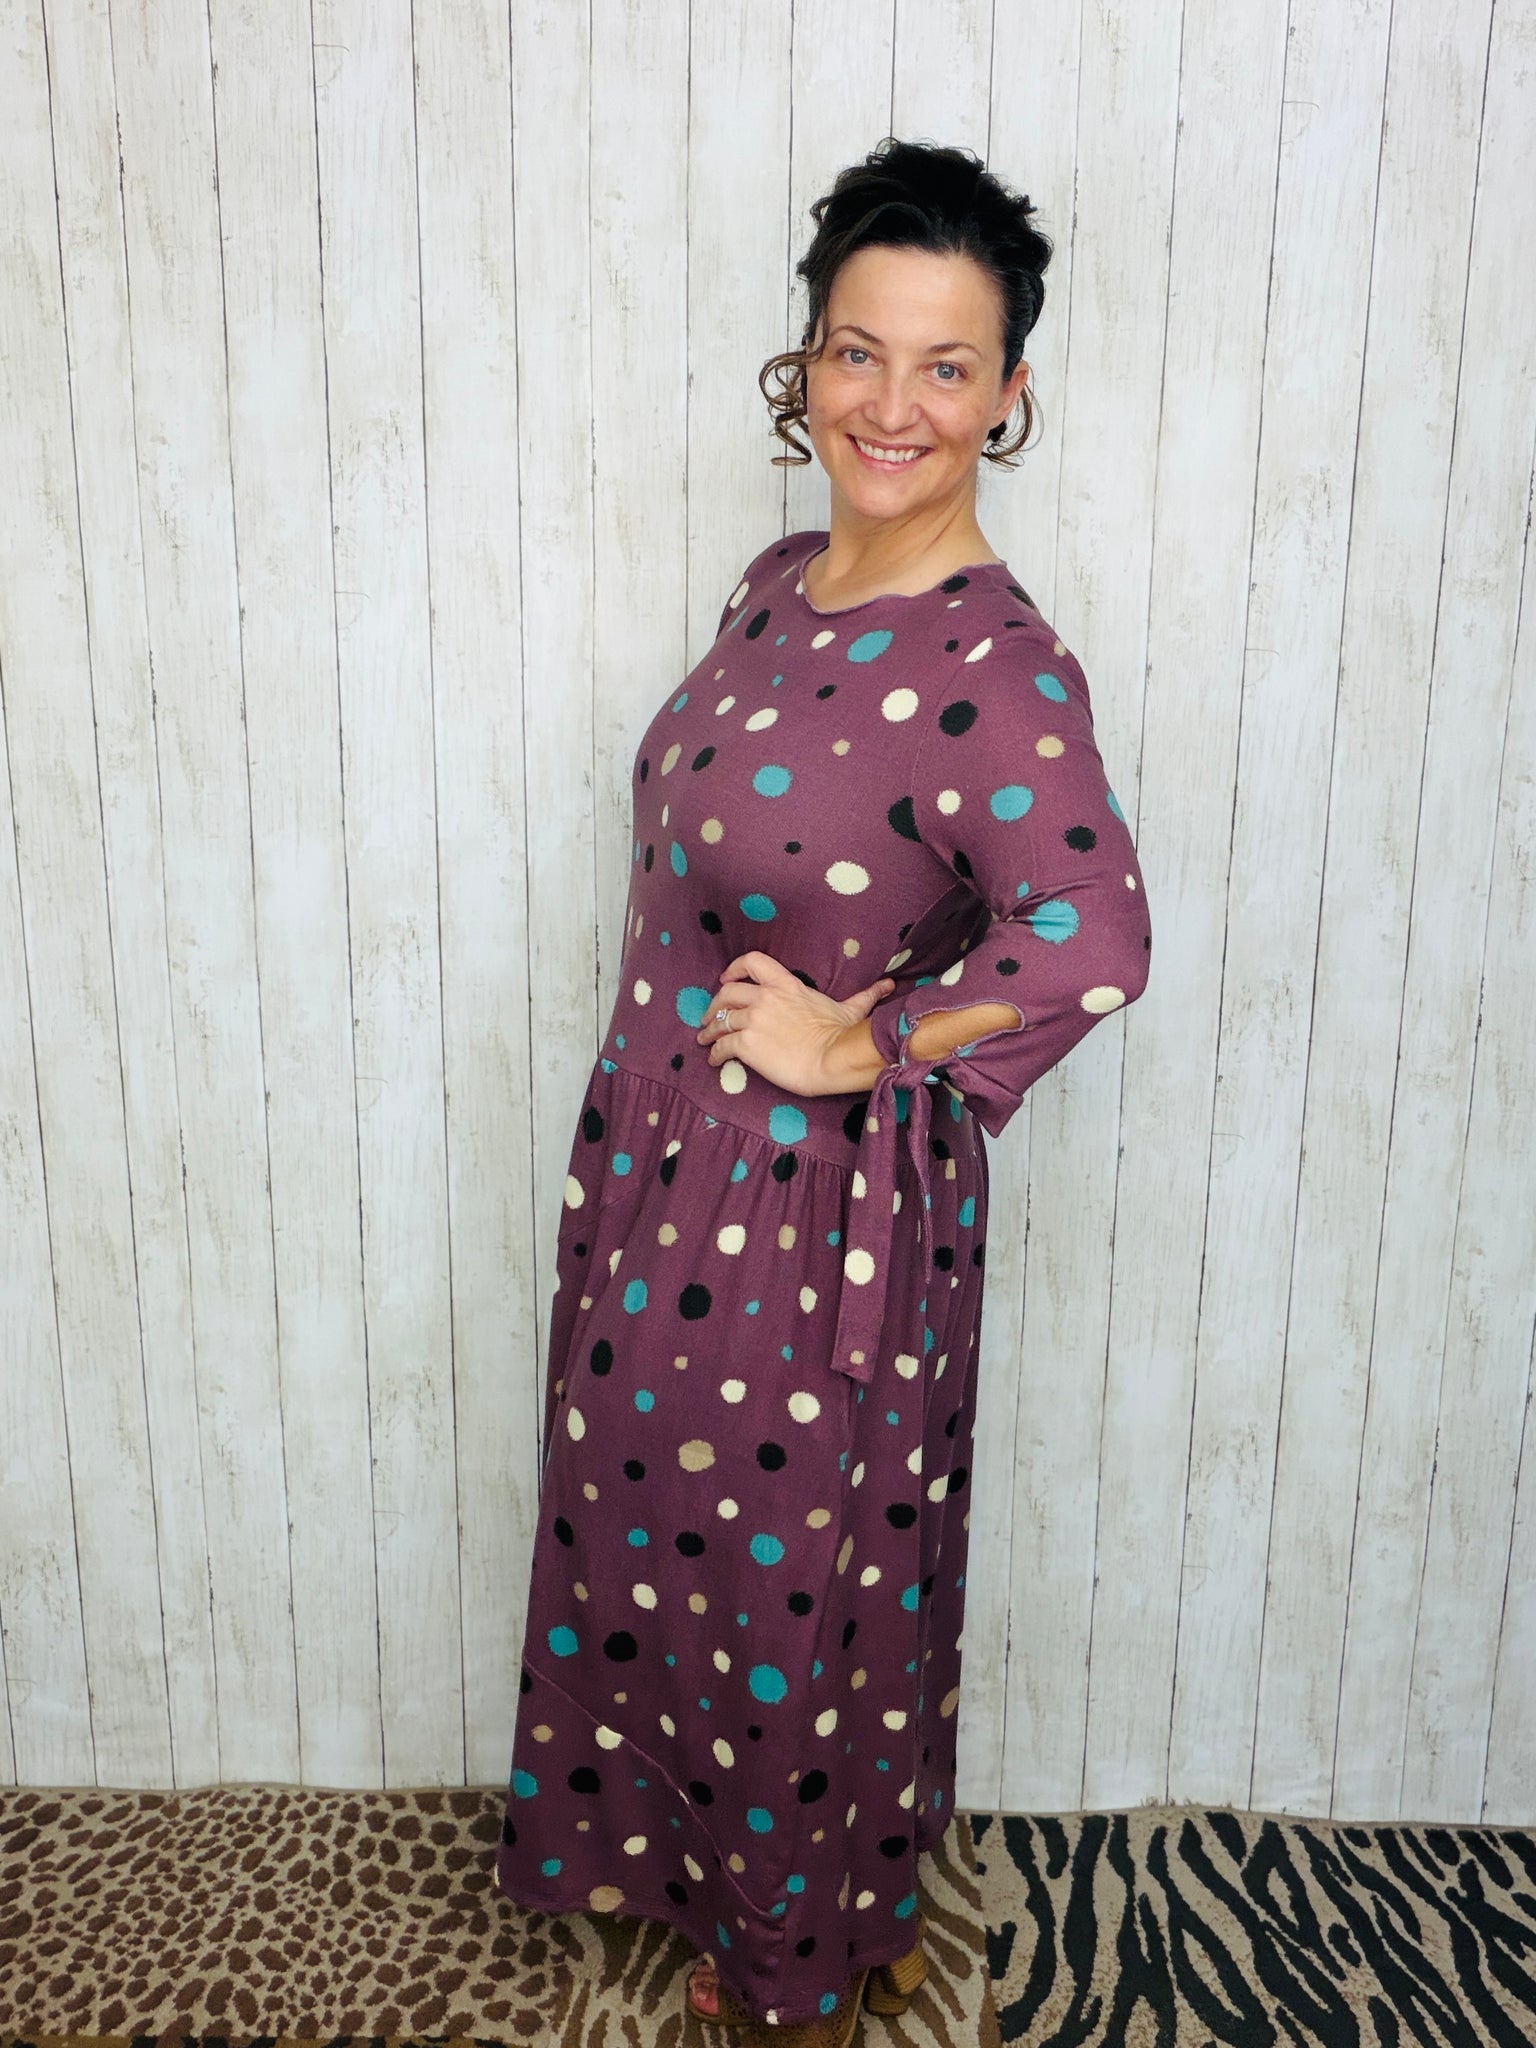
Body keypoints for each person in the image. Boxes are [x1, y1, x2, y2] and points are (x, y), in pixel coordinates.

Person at [493, 136, 1152, 2043]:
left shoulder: (997, 668)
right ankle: (773, 1888)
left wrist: (866, 1039)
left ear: (1009, 393)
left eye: (947, 365)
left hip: (810, 1224)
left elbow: (1093, 935)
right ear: (807, 359)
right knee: (668, 1561)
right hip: (663, 1167)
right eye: (859, 351)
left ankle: (797, 1956)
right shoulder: (780, 581)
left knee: (787, 1597)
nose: (893, 404)